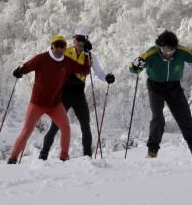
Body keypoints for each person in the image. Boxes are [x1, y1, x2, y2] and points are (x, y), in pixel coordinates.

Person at [129, 30, 192, 158]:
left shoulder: (181, 52)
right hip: (155, 87)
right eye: (164, 50)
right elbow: (134, 67)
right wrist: (136, 66)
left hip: (174, 87)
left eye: (170, 51)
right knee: (158, 118)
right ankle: (152, 151)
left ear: (175, 48)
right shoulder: (152, 53)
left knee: (185, 118)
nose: (167, 54)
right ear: (159, 47)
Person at [8, 34, 90, 163]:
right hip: (37, 103)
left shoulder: (67, 62)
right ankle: (12, 159)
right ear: (52, 46)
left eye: (62, 46)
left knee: (66, 128)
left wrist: (86, 54)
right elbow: (27, 66)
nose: (59, 48)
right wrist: (19, 71)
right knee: (27, 131)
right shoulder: (42, 58)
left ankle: (64, 156)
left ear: (65, 48)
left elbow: (85, 70)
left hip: (54, 104)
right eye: (56, 45)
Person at [39, 28, 115, 160]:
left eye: (82, 40)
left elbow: (100, 73)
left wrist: (107, 77)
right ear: (74, 40)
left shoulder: (90, 56)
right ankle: (43, 156)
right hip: (64, 94)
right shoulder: (65, 51)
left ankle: (88, 157)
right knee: (55, 126)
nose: (79, 42)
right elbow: (49, 58)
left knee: (86, 125)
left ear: (86, 41)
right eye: (77, 39)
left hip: (79, 94)